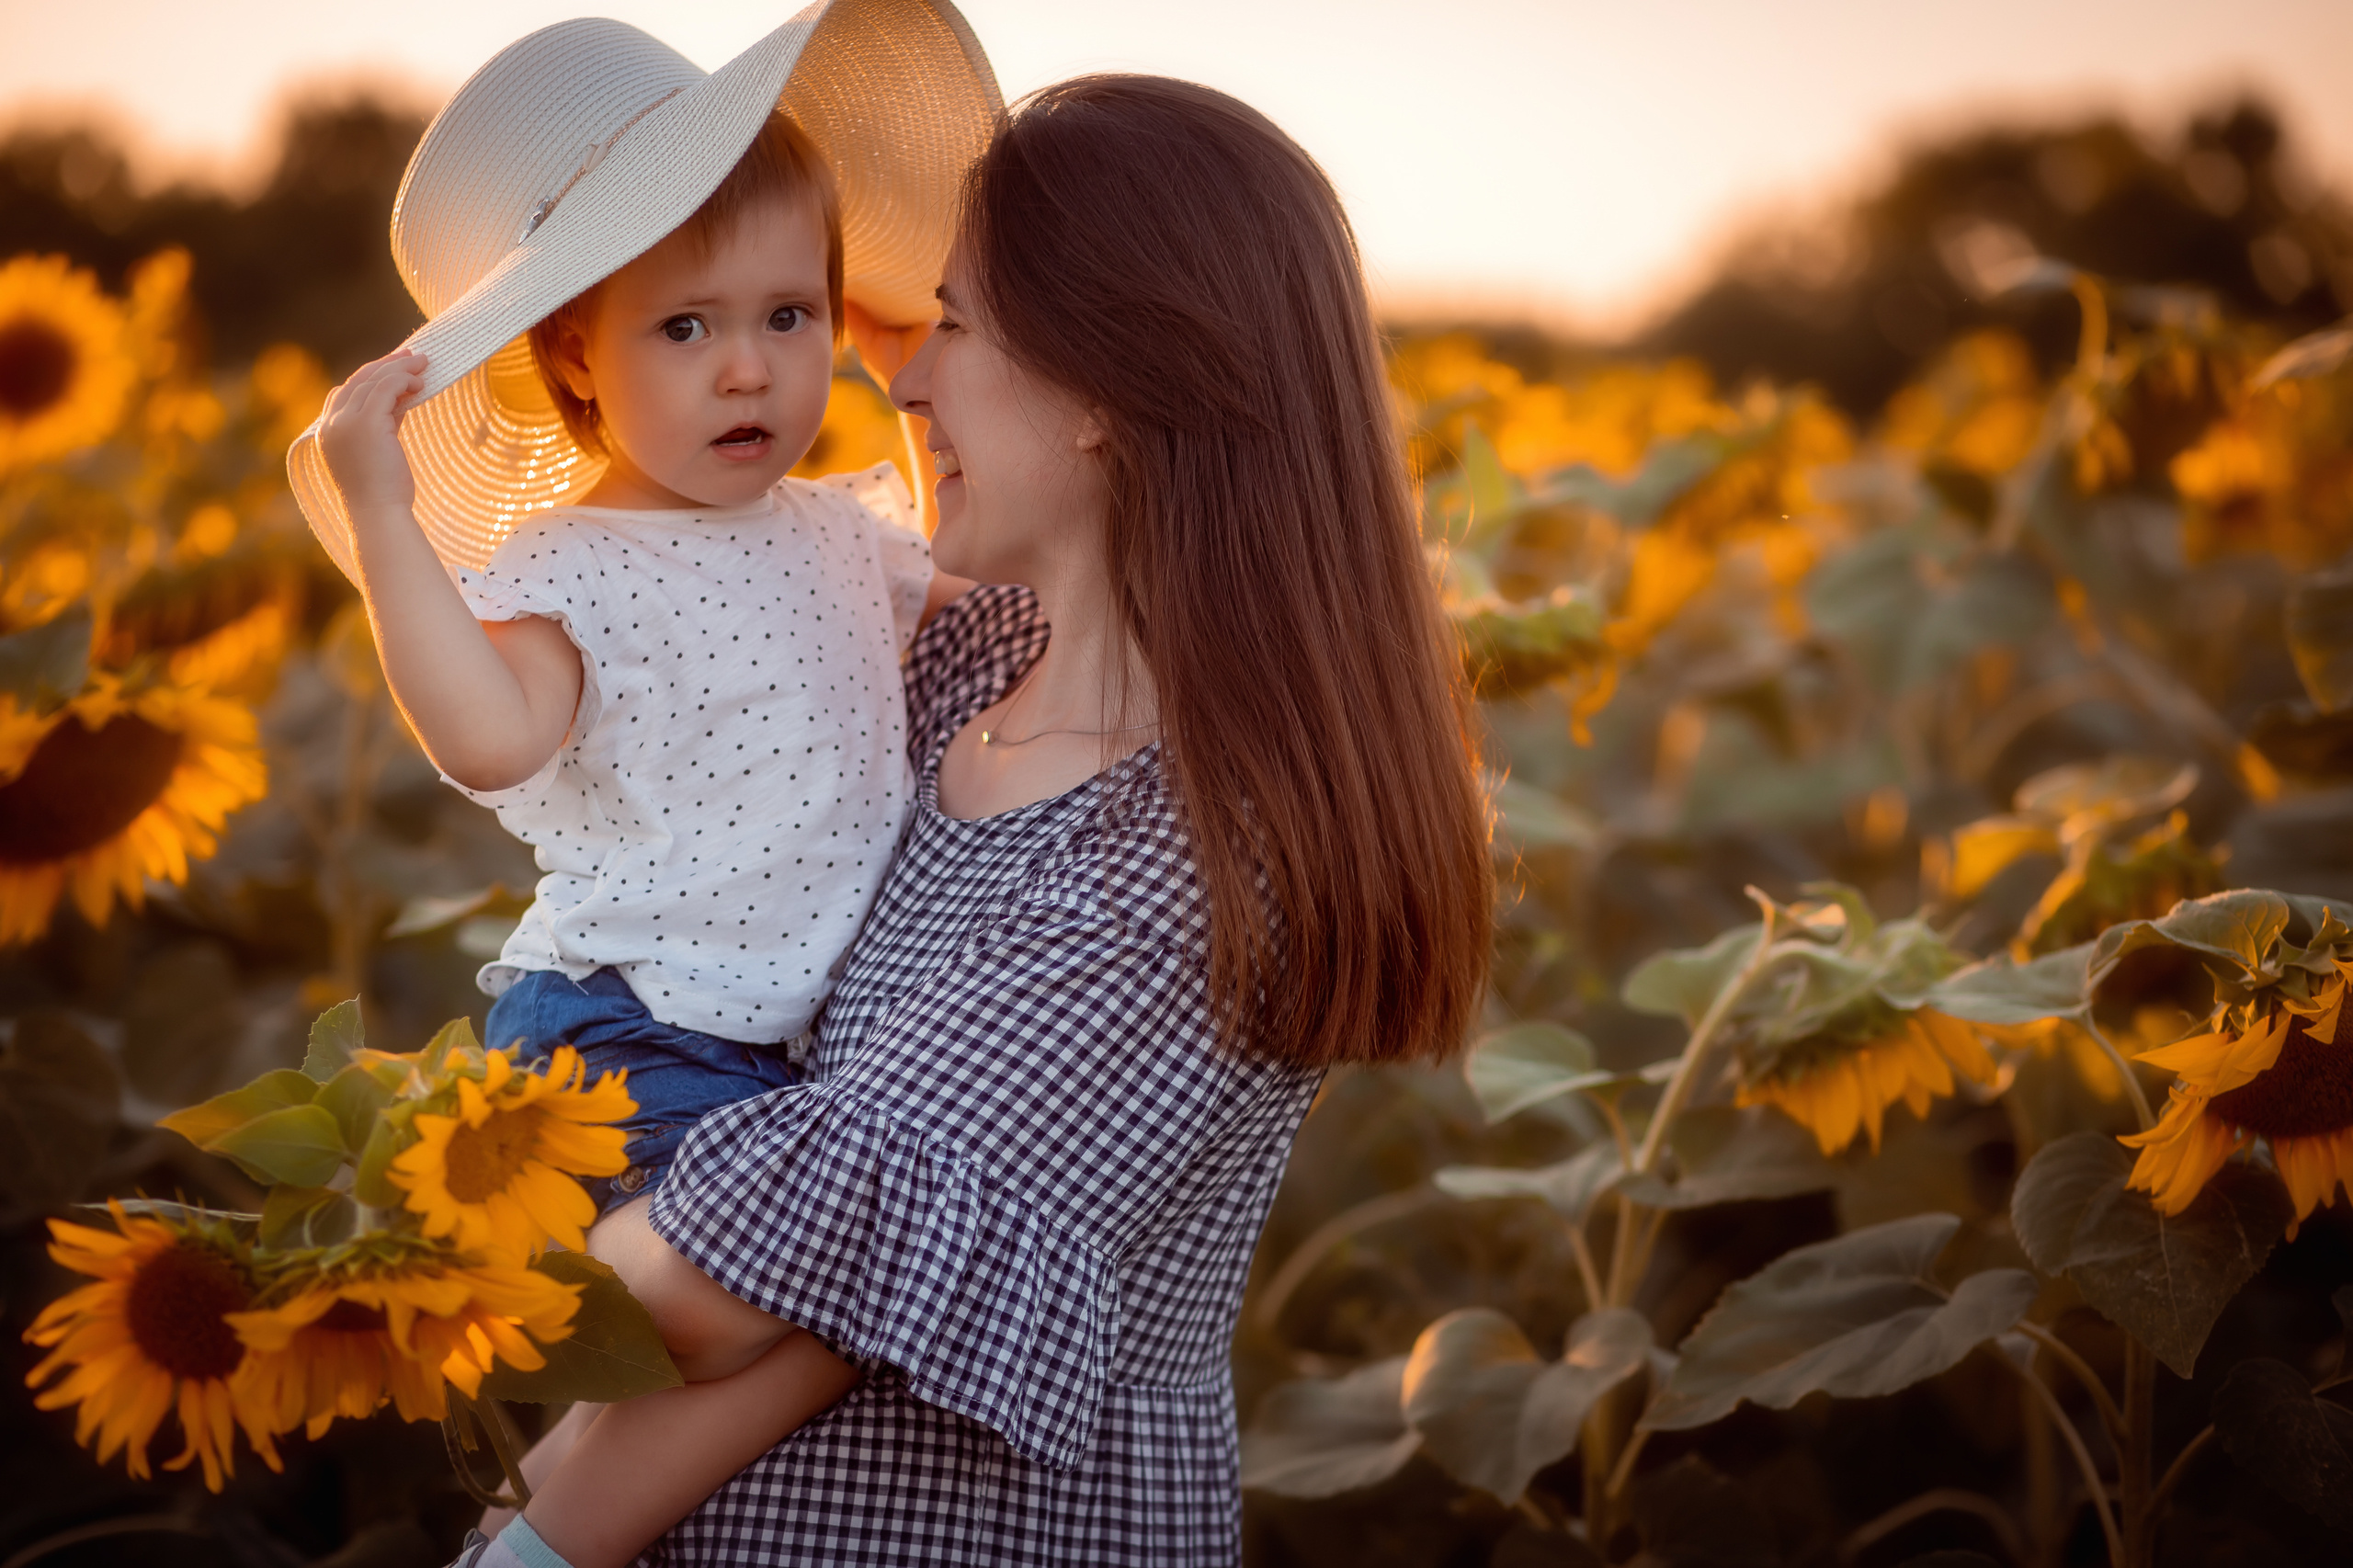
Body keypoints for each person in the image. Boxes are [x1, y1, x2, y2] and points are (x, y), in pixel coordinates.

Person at [526, 73, 1496, 1565]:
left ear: (1106, 385)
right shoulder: (974, 667)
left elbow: (728, 1288)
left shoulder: (1190, 864)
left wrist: (475, 1258)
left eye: (955, 326)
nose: (901, 383)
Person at [288, 7, 1001, 1567]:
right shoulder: (574, 569)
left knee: (813, 1297)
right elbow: (485, 735)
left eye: (792, 314)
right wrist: (387, 520)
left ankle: (558, 1479)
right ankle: (538, 1515)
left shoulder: (840, 529)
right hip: (629, 1025)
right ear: (575, 364)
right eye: (685, 329)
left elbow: (976, 581)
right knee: (759, 1316)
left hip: (785, 1045)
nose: (751, 367)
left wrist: (900, 373)